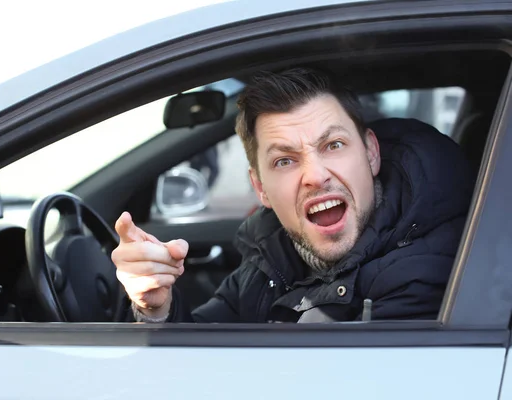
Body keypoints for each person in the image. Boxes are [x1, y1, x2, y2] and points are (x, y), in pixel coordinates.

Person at [111, 67, 474, 323]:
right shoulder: (269, 254)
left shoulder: (425, 276)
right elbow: (200, 356)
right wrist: (156, 308)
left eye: (333, 145)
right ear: (260, 188)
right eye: (285, 160)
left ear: (371, 154)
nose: (315, 176)